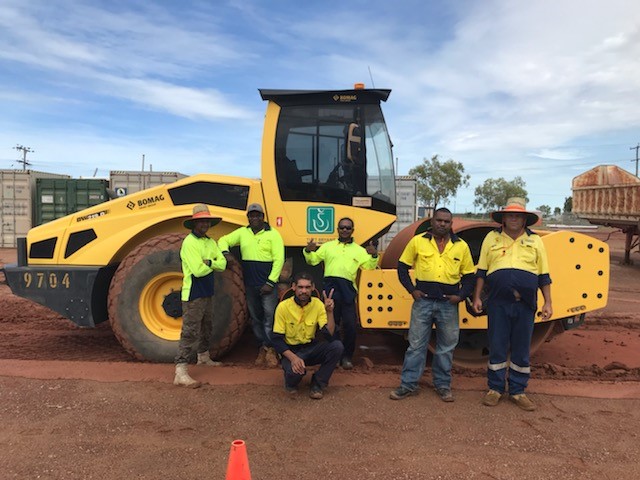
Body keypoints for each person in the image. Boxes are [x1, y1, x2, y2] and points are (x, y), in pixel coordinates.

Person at [472, 198, 553, 411]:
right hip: (498, 303)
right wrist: (477, 297)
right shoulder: (491, 238)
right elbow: (481, 271)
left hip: (525, 305)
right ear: (504, 218)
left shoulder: (535, 241)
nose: (514, 218)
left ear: (525, 219)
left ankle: (518, 391)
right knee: (497, 345)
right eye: (510, 215)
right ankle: (495, 389)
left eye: (518, 215)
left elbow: (544, 275)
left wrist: (548, 303)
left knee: (521, 348)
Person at [390, 208, 475, 402]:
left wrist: (460, 296)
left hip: (448, 304)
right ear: (432, 221)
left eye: (446, 221)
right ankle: (408, 384)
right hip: (423, 301)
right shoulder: (418, 241)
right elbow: (402, 267)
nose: (442, 224)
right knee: (416, 345)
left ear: (451, 224)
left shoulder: (461, 246)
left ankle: (443, 385)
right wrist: (412, 290)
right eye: (439, 220)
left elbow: (469, 276)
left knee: (446, 347)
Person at [303, 217, 378, 369]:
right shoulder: (327, 247)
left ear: (352, 230)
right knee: (332, 324)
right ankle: (334, 355)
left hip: (348, 290)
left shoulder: (359, 250)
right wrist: (308, 251)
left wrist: (374, 255)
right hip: (331, 290)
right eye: (342, 227)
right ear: (337, 229)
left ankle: (347, 357)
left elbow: (370, 267)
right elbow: (313, 260)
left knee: (350, 325)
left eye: (348, 228)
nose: (345, 230)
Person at [218, 203, 285, 367]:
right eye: (251, 215)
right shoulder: (242, 232)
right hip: (250, 284)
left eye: (258, 215)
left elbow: (279, 260)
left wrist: (270, 282)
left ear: (263, 217)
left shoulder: (273, 235)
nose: (254, 218)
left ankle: (271, 349)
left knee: (270, 318)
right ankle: (262, 347)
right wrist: (225, 253)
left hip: (267, 285)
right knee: (256, 319)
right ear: (248, 217)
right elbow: (222, 240)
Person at [174, 204, 227, 388]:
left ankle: (203, 357)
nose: (205, 224)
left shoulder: (210, 242)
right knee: (190, 330)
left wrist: (209, 262)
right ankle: (180, 371)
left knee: (207, 325)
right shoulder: (189, 242)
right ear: (194, 223)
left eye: (207, 221)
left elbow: (222, 264)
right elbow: (197, 270)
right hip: (194, 292)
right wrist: (212, 264)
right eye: (201, 221)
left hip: (207, 290)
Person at [272, 272, 343, 399]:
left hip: (311, 348)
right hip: (292, 351)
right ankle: (291, 378)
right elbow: (277, 340)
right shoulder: (283, 307)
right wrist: (293, 359)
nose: (303, 291)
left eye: (307, 287)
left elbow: (329, 334)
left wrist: (329, 312)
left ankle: (318, 383)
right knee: (294, 377)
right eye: (300, 287)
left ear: (312, 288)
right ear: (293, 287)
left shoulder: (318, 304)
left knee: (337, 346)